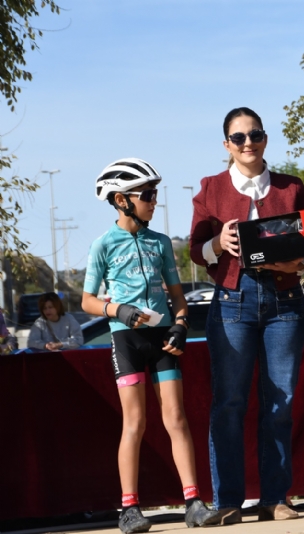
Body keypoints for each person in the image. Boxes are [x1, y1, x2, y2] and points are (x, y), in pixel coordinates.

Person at [83, 158, 220, 533]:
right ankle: (129, 509)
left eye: (155, 194)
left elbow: (177, 296)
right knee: (135, 422)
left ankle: (193, 502)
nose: (154, 201)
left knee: (176, 418)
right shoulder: (102, 245)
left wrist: (181, 325)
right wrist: (117, 310)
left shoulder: (160, 243)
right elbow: (87, 301)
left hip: (161, 338)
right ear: (121, 200)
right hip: (126, 339)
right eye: (147, 195)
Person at [189, 107, 304, 523]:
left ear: (265, 138)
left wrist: (298, 263)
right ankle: (228, 501)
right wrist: (218, 244)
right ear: (227, 145)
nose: (248, 143)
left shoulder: (291, 187)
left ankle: (275, 498)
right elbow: (196, 251)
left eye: (255, 134)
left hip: (285, 302)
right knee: (229, 402)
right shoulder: (210, 188)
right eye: (238, 137)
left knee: (280, 403)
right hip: (232, 301)